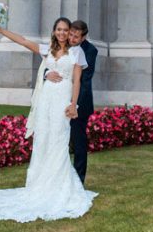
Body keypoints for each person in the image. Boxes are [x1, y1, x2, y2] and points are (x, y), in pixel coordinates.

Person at [0, 18, 97, 222]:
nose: (63, 33)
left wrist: (74, 105)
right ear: (55, 31)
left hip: (62, 101)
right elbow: (22, 41)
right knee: (43, 139)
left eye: (66, 30)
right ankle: (39, 183)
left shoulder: (77, 52)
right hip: (46, 100)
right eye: (60, 29)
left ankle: (60, 186)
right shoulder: (47, 49)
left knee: (59, 140)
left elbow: (77, 81)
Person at [45, 19, 97, 184]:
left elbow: (84, 80)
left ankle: (78, 180)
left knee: (78, 141)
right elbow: (52, 62)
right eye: (71, 34)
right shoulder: (63, 45)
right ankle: (58, 177)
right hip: (58, 100)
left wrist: (74, 104)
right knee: (59, 138)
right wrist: (47, 73)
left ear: (84, 37)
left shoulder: (90, 51)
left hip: (80, 102)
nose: (72, 38)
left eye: (76, 36)